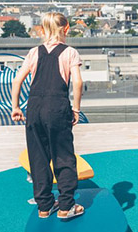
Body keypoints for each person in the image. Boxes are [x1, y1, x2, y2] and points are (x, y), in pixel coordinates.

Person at [10, 12, 84, 220]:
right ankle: (66, 206)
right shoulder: (70, 53)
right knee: (63, 157)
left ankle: (44, 206)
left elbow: (17, 80)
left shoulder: (34, 52)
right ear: (66, 29)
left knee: (38, 157)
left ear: (41, 30)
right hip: (57, 107)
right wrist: (76, 109)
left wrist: (16, 106)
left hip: (34, 107)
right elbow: (77, 82)